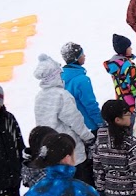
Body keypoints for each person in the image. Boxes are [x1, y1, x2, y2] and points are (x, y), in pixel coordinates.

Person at [33, 53, 95, 185]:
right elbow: (75, 121)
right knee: (81, 184)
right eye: (60, 74)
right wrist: (87, 136)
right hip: (70, 148)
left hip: (52, 150)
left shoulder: (39, 97)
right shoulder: (61, 95)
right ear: (54, 76)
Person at [59, 42, 104, 134]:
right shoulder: (82, 80)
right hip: (89, 127)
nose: (84, 56)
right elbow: (90, 105)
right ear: (77, 58)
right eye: (82, 54)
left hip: (73, 127)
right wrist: (100, 123)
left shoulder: (60, 78)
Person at [104, 35, 136, 111]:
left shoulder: (114, 65)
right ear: (124, 50)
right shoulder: (128, 65)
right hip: (133, 103)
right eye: (129, 47)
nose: (131, 49)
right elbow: (134, 84)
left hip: (121, 100)